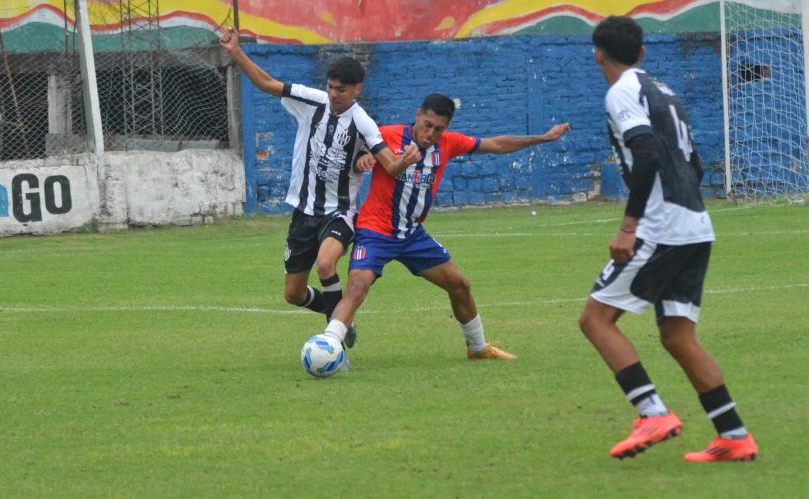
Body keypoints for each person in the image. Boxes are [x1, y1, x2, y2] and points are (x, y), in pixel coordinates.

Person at [578, 16, 758, 462]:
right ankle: (734, 436)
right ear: (641, 53)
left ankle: (652, 412)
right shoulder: (665, 92)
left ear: (597, 53)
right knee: (678, 336)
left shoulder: (622, 92)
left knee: (595, 320)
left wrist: (630, 224)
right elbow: (692, 164)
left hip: (661, 227)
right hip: (695, 224)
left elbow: (647, 150)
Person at [320, 92, 570, 360]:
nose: (430, 134)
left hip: (412, 235)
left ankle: (477, 348)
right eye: (427, 125)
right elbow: (355, 157)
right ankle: (327, 345)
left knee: (459, 284)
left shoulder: (449, 144)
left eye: (439, 129)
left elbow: (496, 144)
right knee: (357, 288)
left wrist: (542, 138)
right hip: (375, 231)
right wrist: (362, 161)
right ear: (418, 115)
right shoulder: (386, 135)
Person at [220, 28, 421, 345]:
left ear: (357, 89)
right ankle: (339, 314)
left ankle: (336, 333)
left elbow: (390, 165)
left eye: (341, 89)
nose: (333, 94)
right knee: (293, 294)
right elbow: (266, 83)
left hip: (338, 212)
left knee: (326, 264)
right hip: (303, 213)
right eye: (330, 87)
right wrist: (236, 52)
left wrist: (406, 160)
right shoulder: (312, 103)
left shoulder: (363, 122)